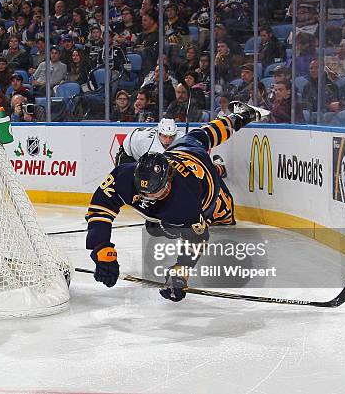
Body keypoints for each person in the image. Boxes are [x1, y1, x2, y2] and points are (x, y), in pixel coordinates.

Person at [84, 103, 268, 298]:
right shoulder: (124, 176)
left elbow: (197, 239)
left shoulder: (185, 204)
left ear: (168, 179)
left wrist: (181, 272)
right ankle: (235, 127)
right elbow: (100, 207)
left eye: (155, 193)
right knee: (203, 135)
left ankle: (239, 122)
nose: (148, 198)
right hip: (181, 150)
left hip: (206, 189)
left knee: (213, 217)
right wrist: (101, 248)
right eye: (143, 192)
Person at [115, 118, 183, 165]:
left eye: (171, 137)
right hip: (129, 151)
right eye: (165, 136)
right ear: (158, 134)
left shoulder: (182, 138)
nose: (168, 141)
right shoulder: (148, 145)